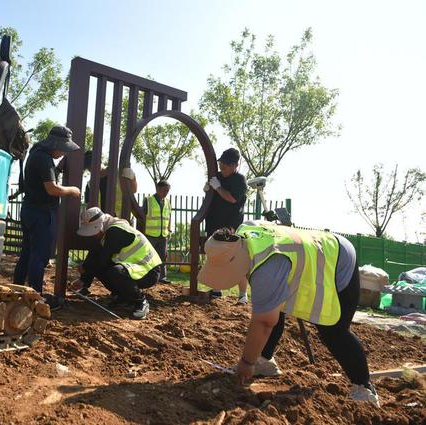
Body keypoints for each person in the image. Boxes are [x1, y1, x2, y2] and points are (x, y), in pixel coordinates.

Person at [197, 222, 380, 407]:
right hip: (310, 254)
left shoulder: (267, 268)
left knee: (334, 331)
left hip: (337, 260)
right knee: (273, 304)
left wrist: (246, 362)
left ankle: (364, 387)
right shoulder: (244, 232)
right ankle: (265, 360)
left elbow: (264, 322)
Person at [13, 126, 81, 297]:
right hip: (42, 214)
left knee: (27, 254)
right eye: (64, 149)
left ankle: (17, 290)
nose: (64, 153)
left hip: (29, 210)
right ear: (56, 144)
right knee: (39, 257)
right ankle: (36, 296)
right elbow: (51, 189)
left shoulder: (36, 154)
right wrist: (72, 190)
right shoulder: (44, 158)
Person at [70, 207, 162, 320]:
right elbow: (94, 255)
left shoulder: (115, 232)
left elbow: (102, 262)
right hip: (137, 268)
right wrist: (84, 280)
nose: (94, 235)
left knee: (116, 272)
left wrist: (85, 267)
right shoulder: (107, 232)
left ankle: (140, 301)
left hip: (149, 271)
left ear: (101, 224)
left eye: (94, 231)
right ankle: (125, 298)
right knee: (106, 269)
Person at [203, 147, 248, 303]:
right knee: (214, 258)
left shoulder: (239, 180)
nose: (223, 166)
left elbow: (232, 198)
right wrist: (208, 189)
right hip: (213, 224)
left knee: (235, 259)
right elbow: (210, 195)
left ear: (235, 165)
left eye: (227, 164)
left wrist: (217, 187)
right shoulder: (217, 177)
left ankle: (242, 294)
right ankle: (216, 290)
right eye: (222, 163)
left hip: (231, 227)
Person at [81, 151, 137, 219]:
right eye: (89, 168)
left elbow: (133, 189)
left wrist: (131, 175)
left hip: (123, 220)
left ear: (100, 161)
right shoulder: (90, 185)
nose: (92, 169)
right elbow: (89, 207)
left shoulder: (118, 174)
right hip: (102, 223)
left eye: (93, 165)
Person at [143, 180, 172, 284]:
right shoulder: (148, 200)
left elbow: (168, 217)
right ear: (158, 189)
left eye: (168, 191)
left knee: (162, 256)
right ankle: (145, 276)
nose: (166, 193)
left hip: (163, 234)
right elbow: (142, 217)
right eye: (165, 190)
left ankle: (162, 277)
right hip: (150, 234)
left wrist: (169, 230)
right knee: (148, 256)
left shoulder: (167, 202)